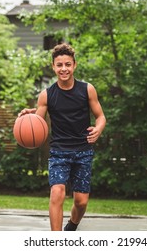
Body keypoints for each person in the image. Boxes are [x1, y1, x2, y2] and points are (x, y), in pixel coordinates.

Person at [19, 43, 106, 231]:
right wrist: (29, 117)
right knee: (57, 193)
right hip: (59, 151)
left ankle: (72, 226)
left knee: (81, 202)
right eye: (59, 65)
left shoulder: (87, 89)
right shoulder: (46, 95)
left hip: (83, 151)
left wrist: (98, 129)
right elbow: (37, 121)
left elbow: (100, 116)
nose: (63, 69)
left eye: (67, 64)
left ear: (74, 65)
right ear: (53, 67)